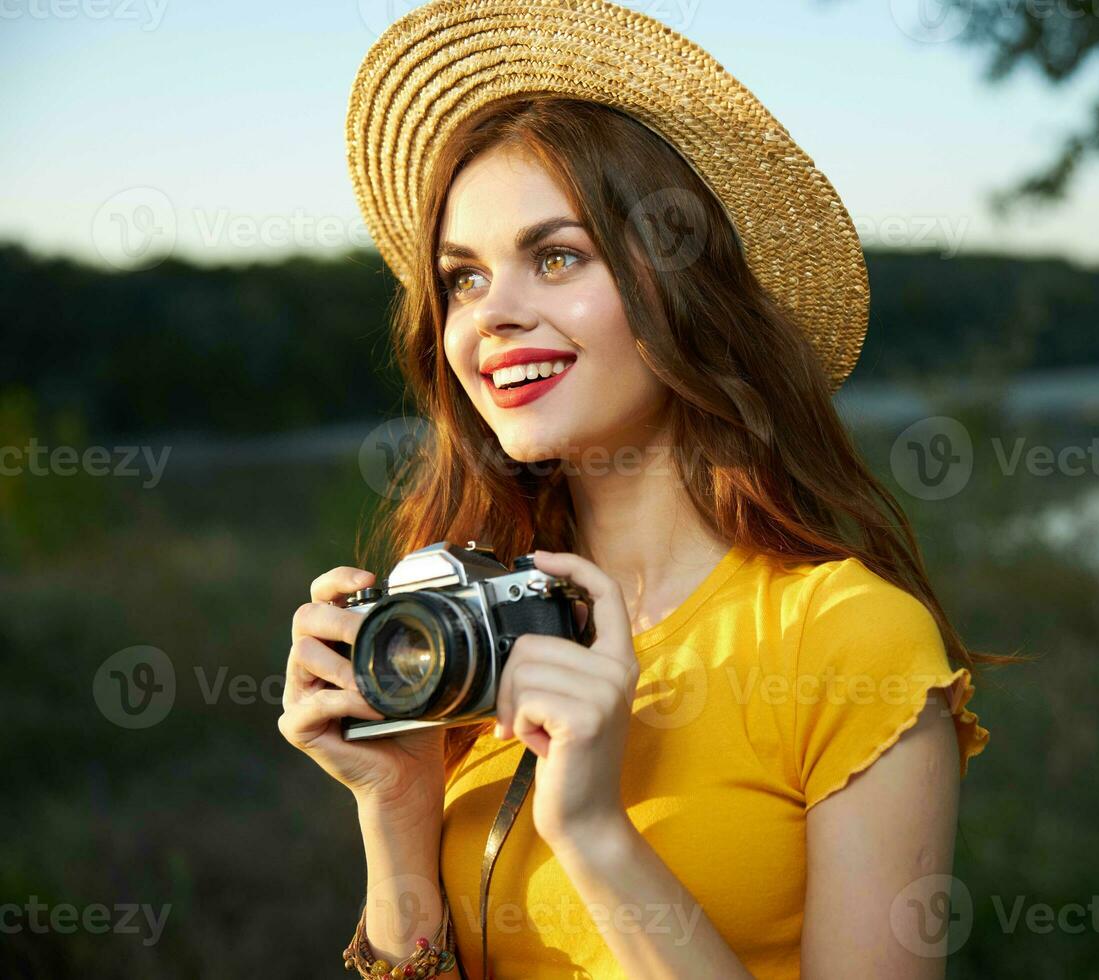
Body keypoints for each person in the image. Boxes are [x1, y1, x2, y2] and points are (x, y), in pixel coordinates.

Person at [279, 2, 1000, 976]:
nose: (494, 316)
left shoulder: (851, 640)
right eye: (463, 279)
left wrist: (594, 831)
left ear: (680, 288)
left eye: (557, 256)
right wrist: (397, 808)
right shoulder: (464, 636)